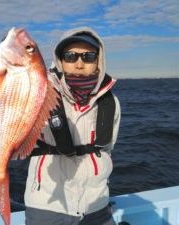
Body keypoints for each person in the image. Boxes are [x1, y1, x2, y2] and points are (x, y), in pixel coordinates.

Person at [24, 27, 121, 225]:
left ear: (98, 61)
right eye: (70, 56)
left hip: (97, 203)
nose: (79, 63)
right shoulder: (39, 94)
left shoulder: (111, 102)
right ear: (60, 60)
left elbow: (108, 148)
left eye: (88, 56)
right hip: (47, 204)